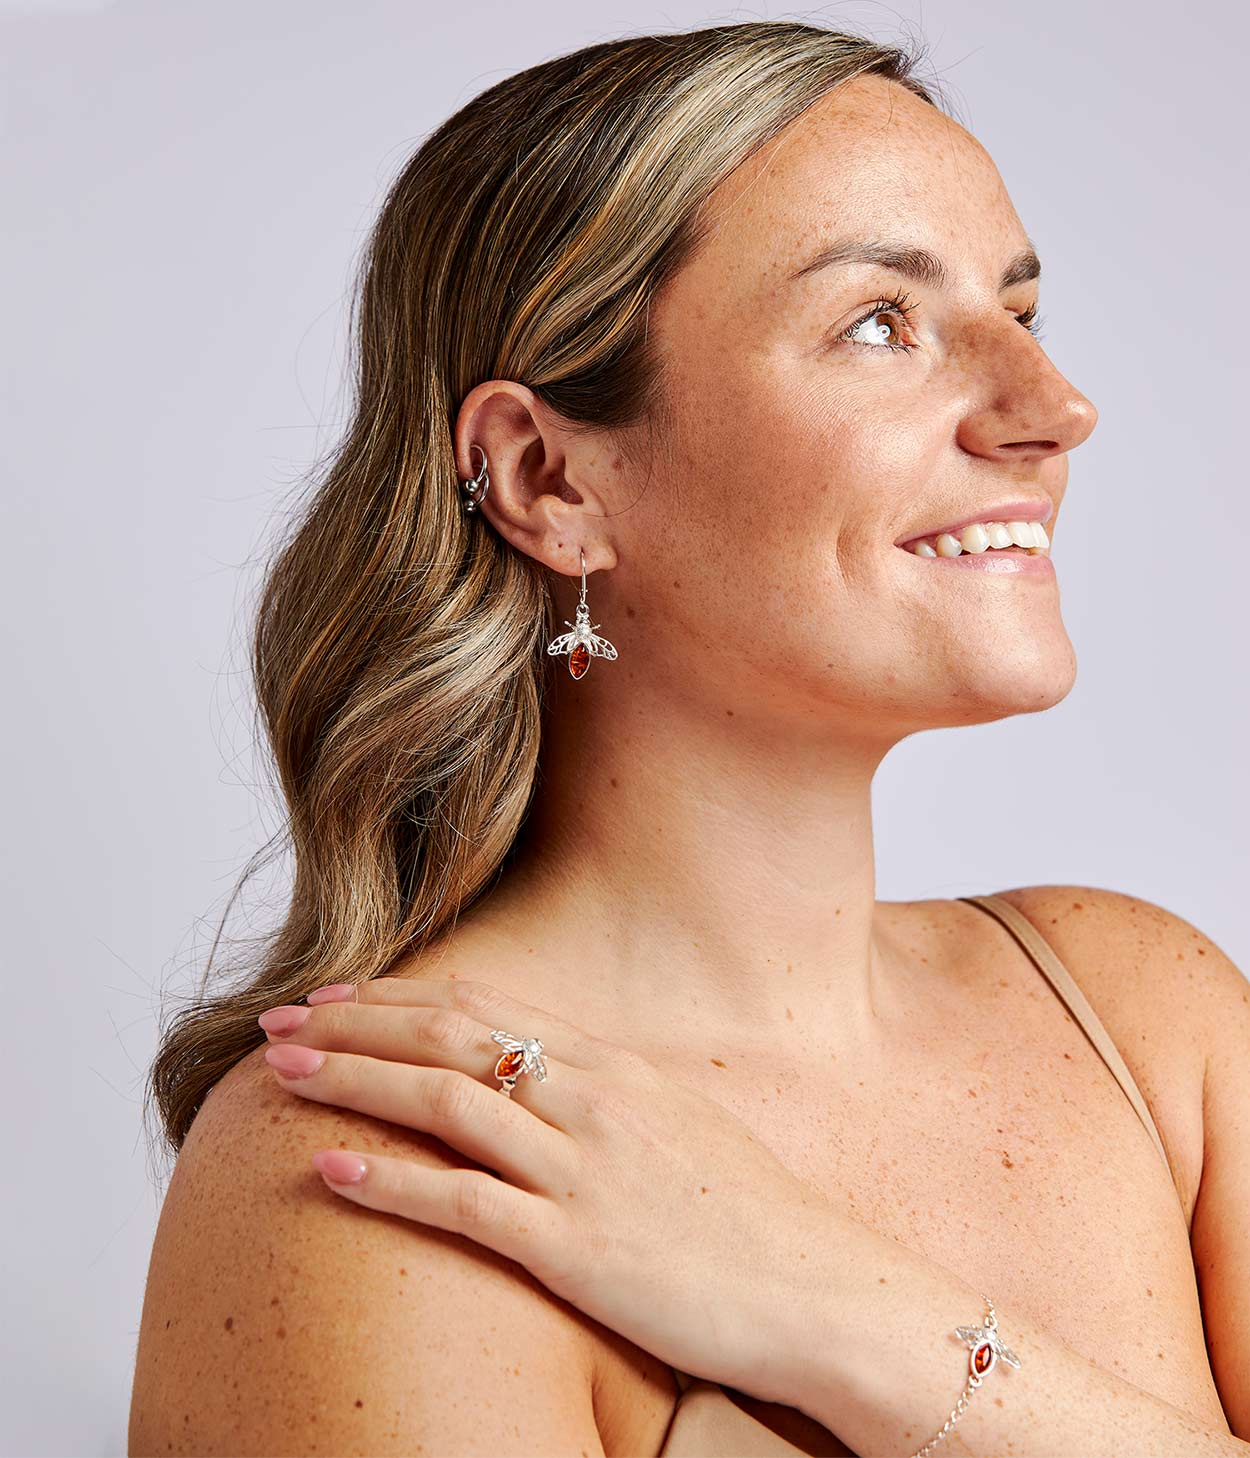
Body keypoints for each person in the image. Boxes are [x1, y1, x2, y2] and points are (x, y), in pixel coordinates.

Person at [128, 19, 1249, 1457]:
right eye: (879, 323)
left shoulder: (1146, 1016)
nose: (1055, 409)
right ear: (547, 478)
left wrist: (853, 1315)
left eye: (1020, 311)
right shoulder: (394, 1162)